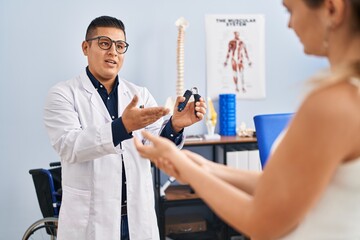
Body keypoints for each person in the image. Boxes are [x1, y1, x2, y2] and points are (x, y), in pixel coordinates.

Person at [135, 0, 360, 239]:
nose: (289, 23)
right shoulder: (347, 95)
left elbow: (261, 221)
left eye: (291, 10)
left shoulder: (333, 103)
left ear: (332, 10)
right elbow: (276, 187)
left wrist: (188, 171)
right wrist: (201, 166)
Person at [43, 16, 206, 240]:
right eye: (104, 43)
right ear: (85, 47)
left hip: (137, 220)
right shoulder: (63, 94)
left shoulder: (140, 94)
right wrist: (121, 127)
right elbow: (69, 146)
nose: (113, 52)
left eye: (120, 46)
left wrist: (175, 126)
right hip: (91, 222)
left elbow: (153, 150)